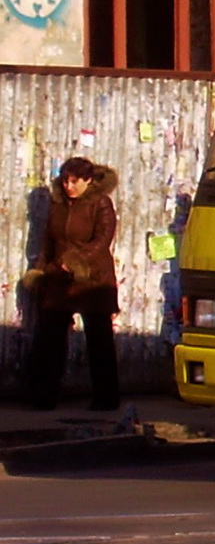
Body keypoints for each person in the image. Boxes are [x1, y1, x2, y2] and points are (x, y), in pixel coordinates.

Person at [22, 157, 121, 411]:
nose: (69, 186)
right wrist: (40, 270)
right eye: (65, 180)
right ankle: (44, 396)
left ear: (88, 180)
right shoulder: (59, 205)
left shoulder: (101, 204)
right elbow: (48, 242)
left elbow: (102, 240)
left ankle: (106, 398)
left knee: (98, 340)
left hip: (92, 279)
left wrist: (76, 261)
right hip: (59, 278)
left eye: (74, 181)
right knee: (50, 337)